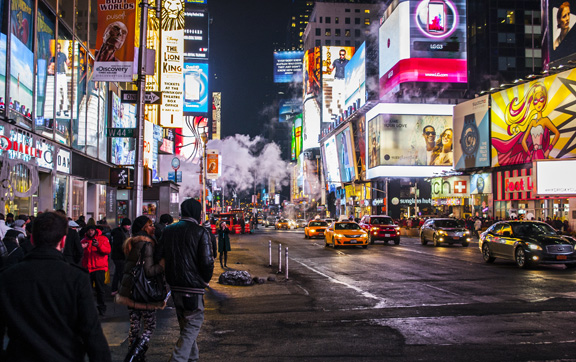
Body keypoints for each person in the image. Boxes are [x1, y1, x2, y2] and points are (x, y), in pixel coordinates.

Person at [0, 211, 111, 361]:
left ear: (32, 239)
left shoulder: (8, 277)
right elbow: (92, 334)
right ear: (63, 241)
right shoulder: (76, 278)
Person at [160, 198, 214, 361]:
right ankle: (178, 359)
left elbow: (159, 256)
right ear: (197, 213)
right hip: (193, 287)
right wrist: (204, 282)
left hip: (175, 286)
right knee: (192, 325)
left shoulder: (168, 230)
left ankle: (192, 358)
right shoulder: (200, 232)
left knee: (186, 326)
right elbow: (207, 262)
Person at [118, 216, 165, 362]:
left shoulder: (132, 242)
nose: (153, 227)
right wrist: (162, 265)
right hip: (144, 291)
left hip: (129, 289)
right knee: (150, 326)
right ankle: (134, 356)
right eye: (150, 225)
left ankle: (135, 356)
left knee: (134, 326)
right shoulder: (147, 245)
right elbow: (149, 271)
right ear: (144, 228)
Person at [81, 225, 112, 316]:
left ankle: (101, 307)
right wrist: (81, 248)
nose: (90, 232)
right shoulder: (83, 241)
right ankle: (89, 308)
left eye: (92, 230)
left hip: (99, 268)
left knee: (100, 290)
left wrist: (98, 246)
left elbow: (107, 250)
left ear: (95, 230)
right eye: (89, 230)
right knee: (88, 290)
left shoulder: (102, 239)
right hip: (88, 268)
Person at [111, 217, 131, 296]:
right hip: (119, 256)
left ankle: (114, 289)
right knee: (121, 273)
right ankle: (122, 290)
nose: (128, 227)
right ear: (123, 225)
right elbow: (119, 245)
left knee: (117, 272)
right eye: (127, 225)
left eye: (129, 225)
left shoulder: (121, 232)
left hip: (118, 256)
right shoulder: (119, 233)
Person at [49, 42, 70, 117]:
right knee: (57, 92)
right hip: (57, 74)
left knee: (65, 91)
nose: (58, 49)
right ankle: (58, 109)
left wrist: (69, 63)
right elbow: (51, 65)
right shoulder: (54, 57)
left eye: (59, 48)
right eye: (57, 48)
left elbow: (67, 62)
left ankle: (65, 109)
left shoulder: (63, 55)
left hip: (63, 74)